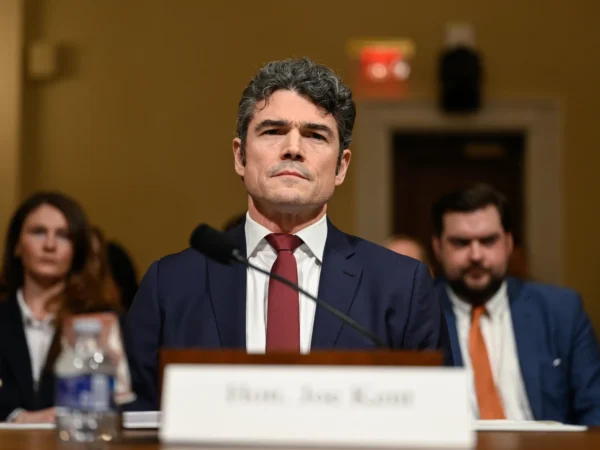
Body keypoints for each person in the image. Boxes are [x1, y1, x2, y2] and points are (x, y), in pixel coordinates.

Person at [124, 57, 451, 411]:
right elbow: (133, 416)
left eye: (315, 135)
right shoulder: (170, 284)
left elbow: (437, 414)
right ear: (240, 157)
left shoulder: (401, 286)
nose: (293, 148)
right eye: (273, 131)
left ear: (341, 167)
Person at [431, 183, 600, 425]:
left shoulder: (561, 311)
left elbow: (595, 407)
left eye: (488, 241)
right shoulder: (415, 315)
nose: (476, 255)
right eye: (461, 242)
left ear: (509, 243)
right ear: (438, 247)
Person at [0, 192, 120, 423]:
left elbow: (123, 401)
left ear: (77, 250)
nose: (50, 245)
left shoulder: (101, 320)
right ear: (16, 245)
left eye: (63, 235)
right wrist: (18, 418)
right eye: (38, 232)